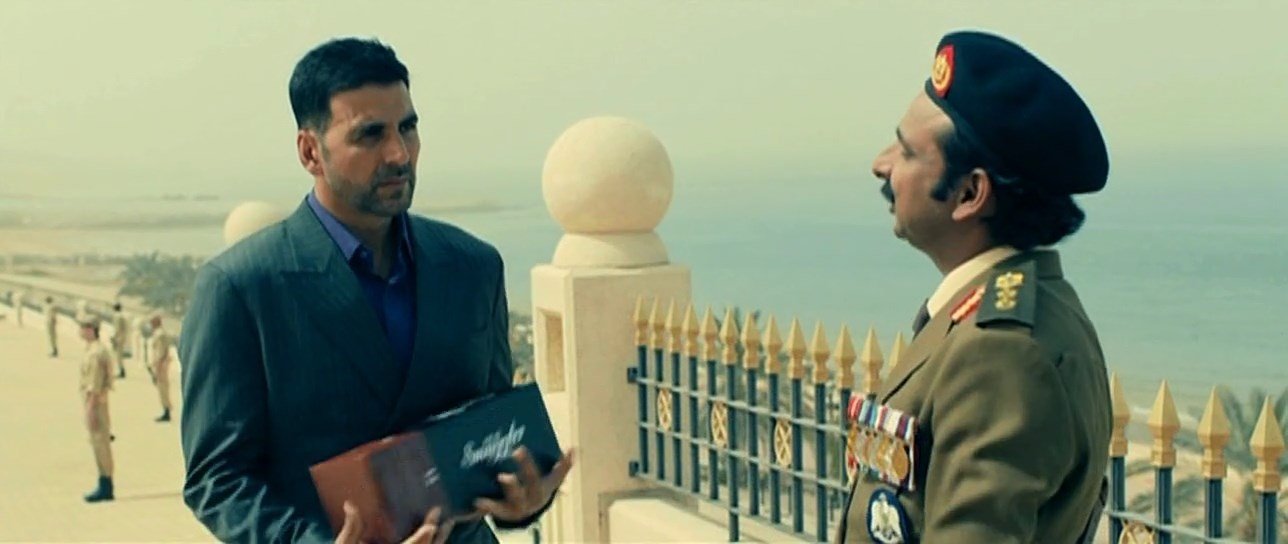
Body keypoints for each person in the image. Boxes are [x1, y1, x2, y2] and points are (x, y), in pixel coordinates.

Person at [178, 37, 573, 544]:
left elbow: (491, 430)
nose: (398, 153)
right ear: (310, 151)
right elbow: (218, 479)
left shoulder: (473, 266)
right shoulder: (240, 289)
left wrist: (522, 500)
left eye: (408, 127)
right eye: (370, 135)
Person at [837, 30, 1112, 543]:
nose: (881, 164)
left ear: (969, 193)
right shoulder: (1009, 313)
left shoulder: (1003, 354)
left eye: (906, 152)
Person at [77, 315, 116, 502]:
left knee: (100, 444)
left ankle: (106, 485)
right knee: (98, 442)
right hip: (96, 402)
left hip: (96, 403)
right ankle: (104, 482)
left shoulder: (96, 353)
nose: (80, 331)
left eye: (83, 327)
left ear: (91, 329)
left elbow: (94, 384)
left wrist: (90, 410)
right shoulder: (95, 349)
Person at [147, 314, 173, 422]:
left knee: (163, 388)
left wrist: (157, 367)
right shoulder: (160, 333)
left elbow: (160, 352)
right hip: (161, 363)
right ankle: (166, 409)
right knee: (162, 387)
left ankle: (166, 411)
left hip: (161, 364)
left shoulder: (159, 335)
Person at [110, 302, 130, 378]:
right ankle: (120, 370)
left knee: (118, 355)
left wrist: (114, 337)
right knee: (118, 355)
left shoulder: (117, 316)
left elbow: (117, 329)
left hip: (119, 338)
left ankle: (121, 371)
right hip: (123, 337)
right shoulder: (122, 316)